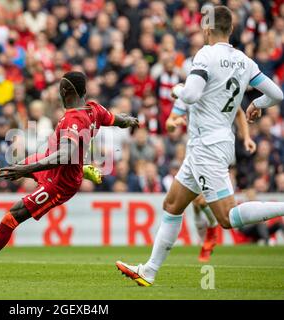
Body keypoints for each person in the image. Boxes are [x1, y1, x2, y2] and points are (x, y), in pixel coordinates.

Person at [116, 5, 284, 287]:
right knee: (172, 204)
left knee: (228, 217)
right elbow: (276, 94)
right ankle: (149, 271)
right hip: (206, 146)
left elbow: (191, 95)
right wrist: (257, 103)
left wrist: (178, 91)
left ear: (207, 29)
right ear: (231, 29)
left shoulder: (205, 55)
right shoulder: (244, 61)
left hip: (208, 147)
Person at [0, 71, 139, 278]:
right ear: (84, 91)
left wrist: (26, 171)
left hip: (59, 183)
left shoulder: (73, 119)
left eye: (59, 86)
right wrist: (130, 120)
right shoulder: (94, 109)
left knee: (11, 216)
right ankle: (79, 168)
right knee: (17, 165)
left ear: (64, 91)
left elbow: (65, 154)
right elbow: (116, 120)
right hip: (53, 163)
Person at [165, 99, 257, 262]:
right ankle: (207, 238)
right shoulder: (190, 92)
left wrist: (246, 137)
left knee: (200, 202)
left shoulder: (218, 91)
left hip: (216, 154)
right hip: (196, 152)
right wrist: (175, 122)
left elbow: (239, 112)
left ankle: (211, 233)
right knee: (194, 203)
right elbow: (169, 124)